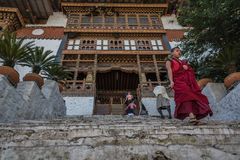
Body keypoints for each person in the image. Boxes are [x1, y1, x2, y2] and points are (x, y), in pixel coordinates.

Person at [165, 47, 213, 125]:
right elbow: (169, 71)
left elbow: (188, 72)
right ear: (172, 53)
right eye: (177, 51)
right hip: (178, 82)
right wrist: (171, 81)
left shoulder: (182, 62)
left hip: (186, 82)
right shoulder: (169, 61)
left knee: (191, 97)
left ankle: (193, 117)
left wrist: (186, 68)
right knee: (185, 97)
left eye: (180, 51)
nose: (179, 52)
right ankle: (192, 117)